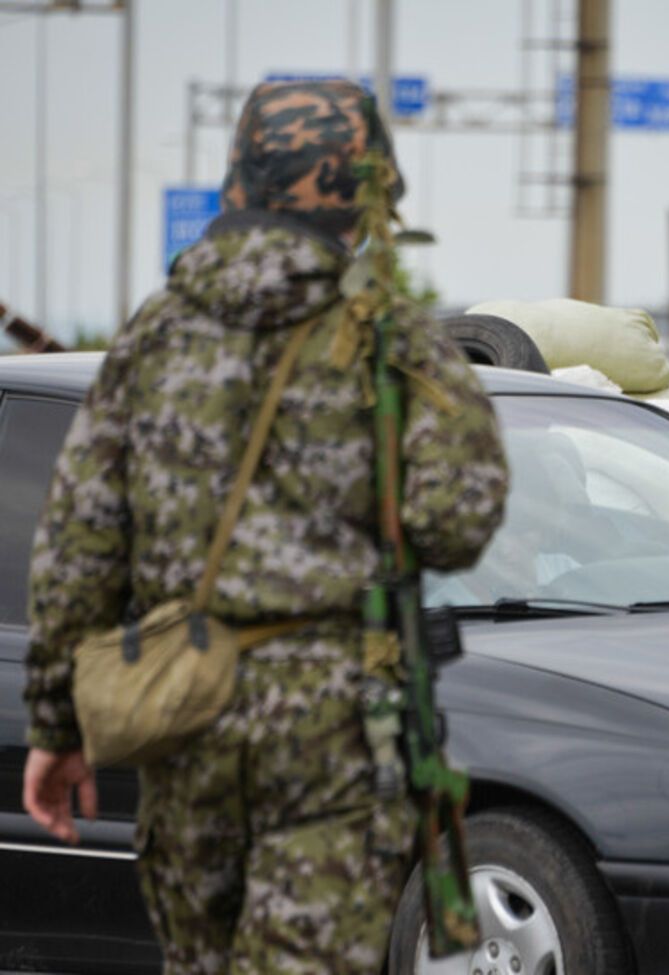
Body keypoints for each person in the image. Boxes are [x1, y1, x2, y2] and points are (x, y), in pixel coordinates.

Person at [22, 80, 509, 973]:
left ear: (237, 186)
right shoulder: (393, 340)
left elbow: (78, 544)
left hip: (184, 712)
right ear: (369, 204)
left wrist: (56, 725)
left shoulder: (154, 336)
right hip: (335, 724)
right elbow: (458, 521)